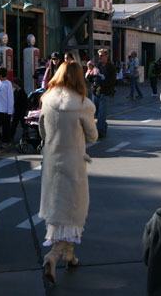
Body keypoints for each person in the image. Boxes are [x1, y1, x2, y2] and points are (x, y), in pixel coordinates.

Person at [38, 62, 98, 284]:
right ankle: (53, 256)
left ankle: (70, 255)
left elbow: (42, 129)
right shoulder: (83, 104)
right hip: (73, 162)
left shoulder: (47, 99)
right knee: (73, 210)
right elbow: (92, 136)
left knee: (58, 209)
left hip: (52, 162)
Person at [92, 48, 116, 138]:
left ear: (107, 56)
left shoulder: (111, 67)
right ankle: (103, 127)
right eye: (99, 55)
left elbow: (112, 81)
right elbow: (92, 77)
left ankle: (100, 132)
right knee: (96, 113)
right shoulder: (97, 66)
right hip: (96, 92)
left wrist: (100, 81)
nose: (100, 57)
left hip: (105, 92)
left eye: (101, 55)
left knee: (102, 114)